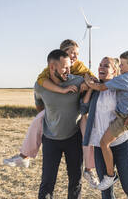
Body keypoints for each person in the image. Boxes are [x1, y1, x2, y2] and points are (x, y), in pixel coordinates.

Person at [3, 39, 98, 188]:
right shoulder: (48, 72)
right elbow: (41, 82)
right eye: (72, 53)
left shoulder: (79, 67)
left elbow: (92, 79)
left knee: (88, 132)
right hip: (52, 116)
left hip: (76, 117)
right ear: (62, 53)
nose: (75, 57)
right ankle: (24, 156)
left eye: (77, 54)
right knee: (37, 121)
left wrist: (88, 82)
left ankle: (89, 169)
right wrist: (61, 92)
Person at [81, 56, 128, 198]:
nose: (101, 67)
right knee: (106, 191)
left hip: (123, 143)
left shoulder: (121, 87)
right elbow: (83, 109)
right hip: (100, 146)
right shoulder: (95, 90)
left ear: (114, 71)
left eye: (106, 65)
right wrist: (90, 88)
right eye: (100, 64)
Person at [35, 49, 84, 198]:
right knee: (47, 182)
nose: (69, 71)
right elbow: (40, 106)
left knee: (76, 180)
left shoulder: (77, 81)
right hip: (50, 140)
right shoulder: (40, 87)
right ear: (52, 67)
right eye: (64, 68)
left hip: (73, 138)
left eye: (70, 67)